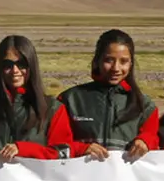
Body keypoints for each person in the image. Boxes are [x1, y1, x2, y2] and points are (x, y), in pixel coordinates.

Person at [57, 29, 158, 160]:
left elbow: (154, 137)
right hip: (81, 172)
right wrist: (80, 148)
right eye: (109, 60)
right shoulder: (70, 100)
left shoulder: (145, 105)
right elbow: (57, 143)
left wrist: (145, 141)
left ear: (131, 64)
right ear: (97, 61)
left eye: (123, 61)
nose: (116, 68)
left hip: (124, 173)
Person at [0, 35, 72, 161]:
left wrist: (24, 150)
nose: (15, 70)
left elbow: (63, 152)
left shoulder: (52, 109)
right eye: (8, 65)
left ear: (31, 65)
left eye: (21, 64)